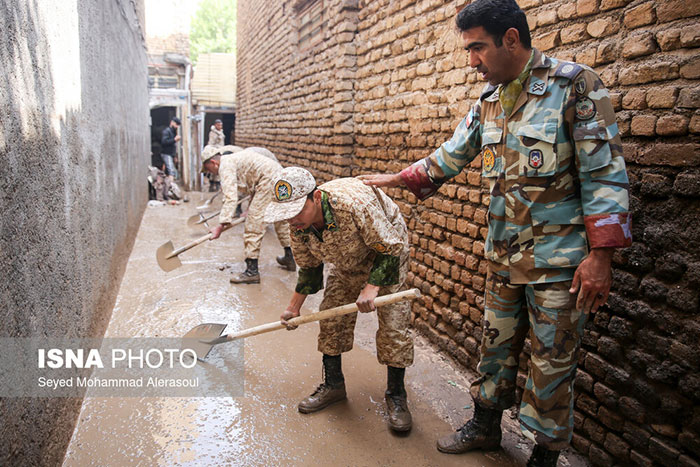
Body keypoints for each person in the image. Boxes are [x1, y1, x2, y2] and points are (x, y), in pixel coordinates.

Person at [359, 0, 631, 465]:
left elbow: (604, 174)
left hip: (560, 266)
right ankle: (485, 426)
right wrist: (397, 179)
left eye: (477, 48)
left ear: (510, 39)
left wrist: (601, 256)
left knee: (552, 363)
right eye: (467, 50)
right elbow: (449, 156)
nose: (471, 62)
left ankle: (544, 454)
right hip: (504, 257)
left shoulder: (573, 86)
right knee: (495, 346)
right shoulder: (488, 103)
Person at [265, 167, 414, 433]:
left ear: (316, 197)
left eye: (298, 211)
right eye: (286, 215)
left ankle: (396, 395)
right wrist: (292, 309)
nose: (293, 221)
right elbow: (310, 269)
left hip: (387, 251)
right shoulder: (298, 226)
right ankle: (333, 385)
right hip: (348, 258)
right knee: (331, 314)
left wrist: (371, 287)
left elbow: (390, 247)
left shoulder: (353, 205)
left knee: (393, 326)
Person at [201, 145, 296, 283]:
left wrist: (220, 227)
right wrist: (250, 208)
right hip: (280, 178)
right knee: (279, 219)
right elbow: (253, 185)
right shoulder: (233, 159)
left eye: (208, 169)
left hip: (268, 181)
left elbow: (230, 198)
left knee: (253, 225)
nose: (211, 173)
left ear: (213, 163)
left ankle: (252, 272)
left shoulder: (225, 165)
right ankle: (290, 257)